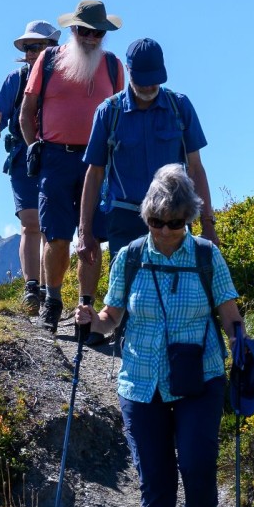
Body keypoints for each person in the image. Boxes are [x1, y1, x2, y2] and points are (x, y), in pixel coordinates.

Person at [73, 165, 245, 507]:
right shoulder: (129, 256)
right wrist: (94, 323)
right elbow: (112, 317)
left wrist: (241, 344)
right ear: (147, 217)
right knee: (155, 482)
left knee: (196, 459)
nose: (165, 231)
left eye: (175, 223)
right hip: (140, 382)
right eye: (156, 222)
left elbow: (229, 312)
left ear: (188, 219)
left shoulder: (206, 256)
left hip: (199, 378)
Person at [78, 38, 217, 345]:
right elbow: (94, 172)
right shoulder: (109, 112)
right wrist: (85, 231)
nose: (150, 87)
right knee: (126, 288)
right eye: (143, 81)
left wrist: (208, 224)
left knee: (174, 285)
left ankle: (174, 352)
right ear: (129, 71)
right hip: (124, 216)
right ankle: (131, 352)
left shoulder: (179, 107)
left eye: (155, 80)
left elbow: (196, 168)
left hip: (174, 219)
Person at [19, 0, 126, 334]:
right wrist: (33, 146)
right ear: (73, 29)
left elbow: (121, 113)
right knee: (56, 234)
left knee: (91, 237)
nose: (91, 37)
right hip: (55, 157)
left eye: (97, 32)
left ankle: (85, 308)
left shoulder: (113, 66)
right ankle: (52, 302)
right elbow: (27, 109)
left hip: (97, 163)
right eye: (85, 30)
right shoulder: (49, 60)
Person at [0, 20, 60, 313]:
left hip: (57, 157)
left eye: (37, 46)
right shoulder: (15, 80)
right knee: (31, 223)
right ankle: (33, 288)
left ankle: (47, 289)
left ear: (52, 49)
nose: (31, 52)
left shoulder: (64, 82)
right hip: (23, 156)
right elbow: (0, 116)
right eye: (28, 47)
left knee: (50, 226)